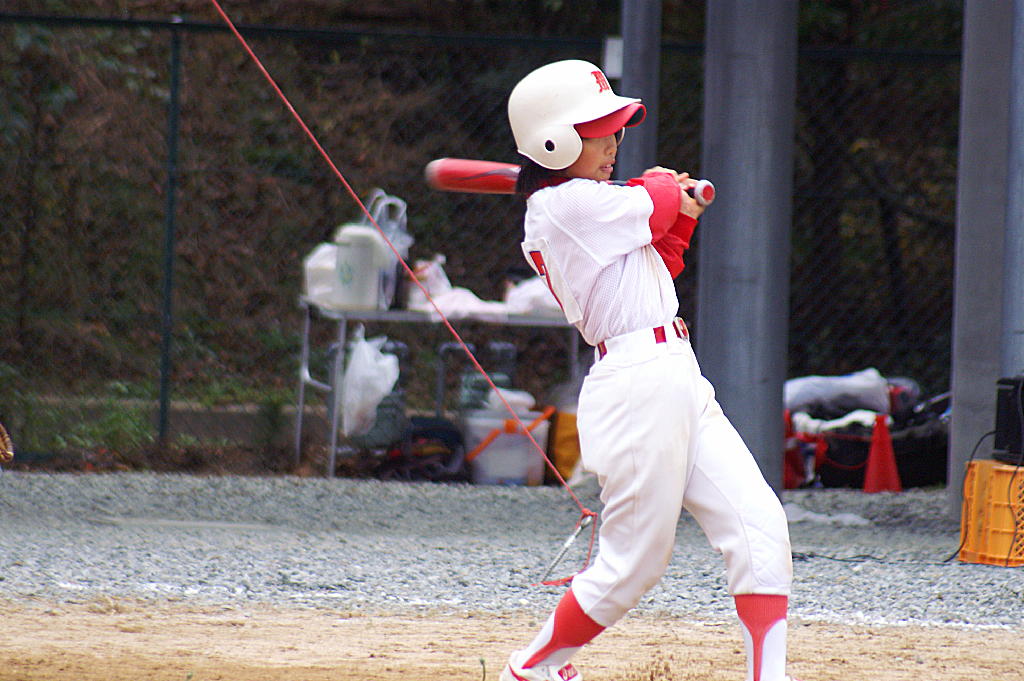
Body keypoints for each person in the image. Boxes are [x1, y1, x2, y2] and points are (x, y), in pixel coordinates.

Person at [500, 59, 798, 681]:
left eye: (612, 130)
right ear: (554, 142)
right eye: (597, 132)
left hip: (678, 373)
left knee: (759, 525)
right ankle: (531, 669)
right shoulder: (561, 207)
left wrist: (678, 213)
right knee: (633, 563)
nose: (612, 143)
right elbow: (655, 202)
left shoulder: (597, 204)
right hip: (636, 383)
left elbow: (659, 261)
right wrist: (664, 187)